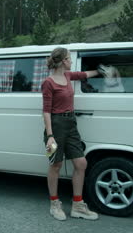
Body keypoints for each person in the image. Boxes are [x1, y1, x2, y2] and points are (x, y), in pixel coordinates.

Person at [41, 47, 100, 221]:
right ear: (63, 61)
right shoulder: (48, 82)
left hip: (71, 124)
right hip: (56, 126)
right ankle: (54, 203)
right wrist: (50, 135)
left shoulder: (67, 76)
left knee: (81, 163)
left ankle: (77, 206)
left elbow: (83, 75)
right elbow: (46, 111)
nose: (71, 61)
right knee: (56, 165)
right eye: (69, 58)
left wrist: (100, 71)